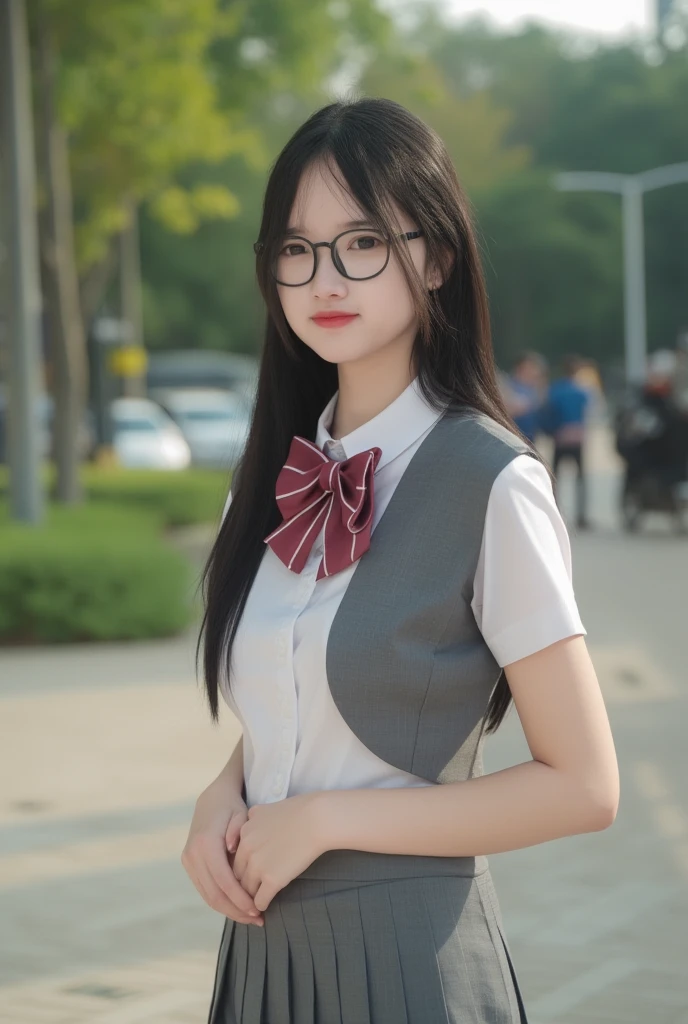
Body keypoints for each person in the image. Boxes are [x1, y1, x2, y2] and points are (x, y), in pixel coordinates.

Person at [182, 98, 619, 1024]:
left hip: (412, 958)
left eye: (363, 241)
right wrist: (225, 791)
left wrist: (328, 819)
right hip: (261, 959)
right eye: (295, 249)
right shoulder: (271, 476)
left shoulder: (489, 481)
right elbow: (299, 692)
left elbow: (585, 786)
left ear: (436, 257)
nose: (323, 278)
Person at [540, 355, 592, 530]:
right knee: (581, 478)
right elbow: (589, 412)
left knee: (556, 478)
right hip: (577, 438)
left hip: (560, 437)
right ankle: (581, 516)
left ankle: (555, 513)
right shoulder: (582, 391)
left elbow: (548, 410)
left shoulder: (556, 390)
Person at [504, 351, 548, 443]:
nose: (533, 371)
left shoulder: (534, 388)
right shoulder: (509, 385)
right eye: (530, 367)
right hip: (513, 435)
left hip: (530, 436)